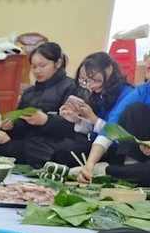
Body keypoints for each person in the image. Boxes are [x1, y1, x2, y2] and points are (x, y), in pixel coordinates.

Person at [0, 42, 82, 167]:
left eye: (42, 65)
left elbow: (73, 126)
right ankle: (41, 161)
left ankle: (49, 162)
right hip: (33, 143)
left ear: (58, 63)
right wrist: (11, 127)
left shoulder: (71, 87)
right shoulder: (29, 92)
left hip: (56, 142)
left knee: (37, 147)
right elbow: (22, 128)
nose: (37, 71)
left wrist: (46, 120)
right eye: (33, 67)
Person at [51, 52, 135, 182]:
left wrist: (91, 116)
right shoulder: (99, 94)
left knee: (67, 149)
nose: (89, 84)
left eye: (92, 79)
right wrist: (78, 120)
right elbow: (95, 129)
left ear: (109, 70)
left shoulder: (126, 94)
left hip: (116, 150)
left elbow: (115, 133)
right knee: (62, 147)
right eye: (84, 80)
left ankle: (94, 169)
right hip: (98, 145)